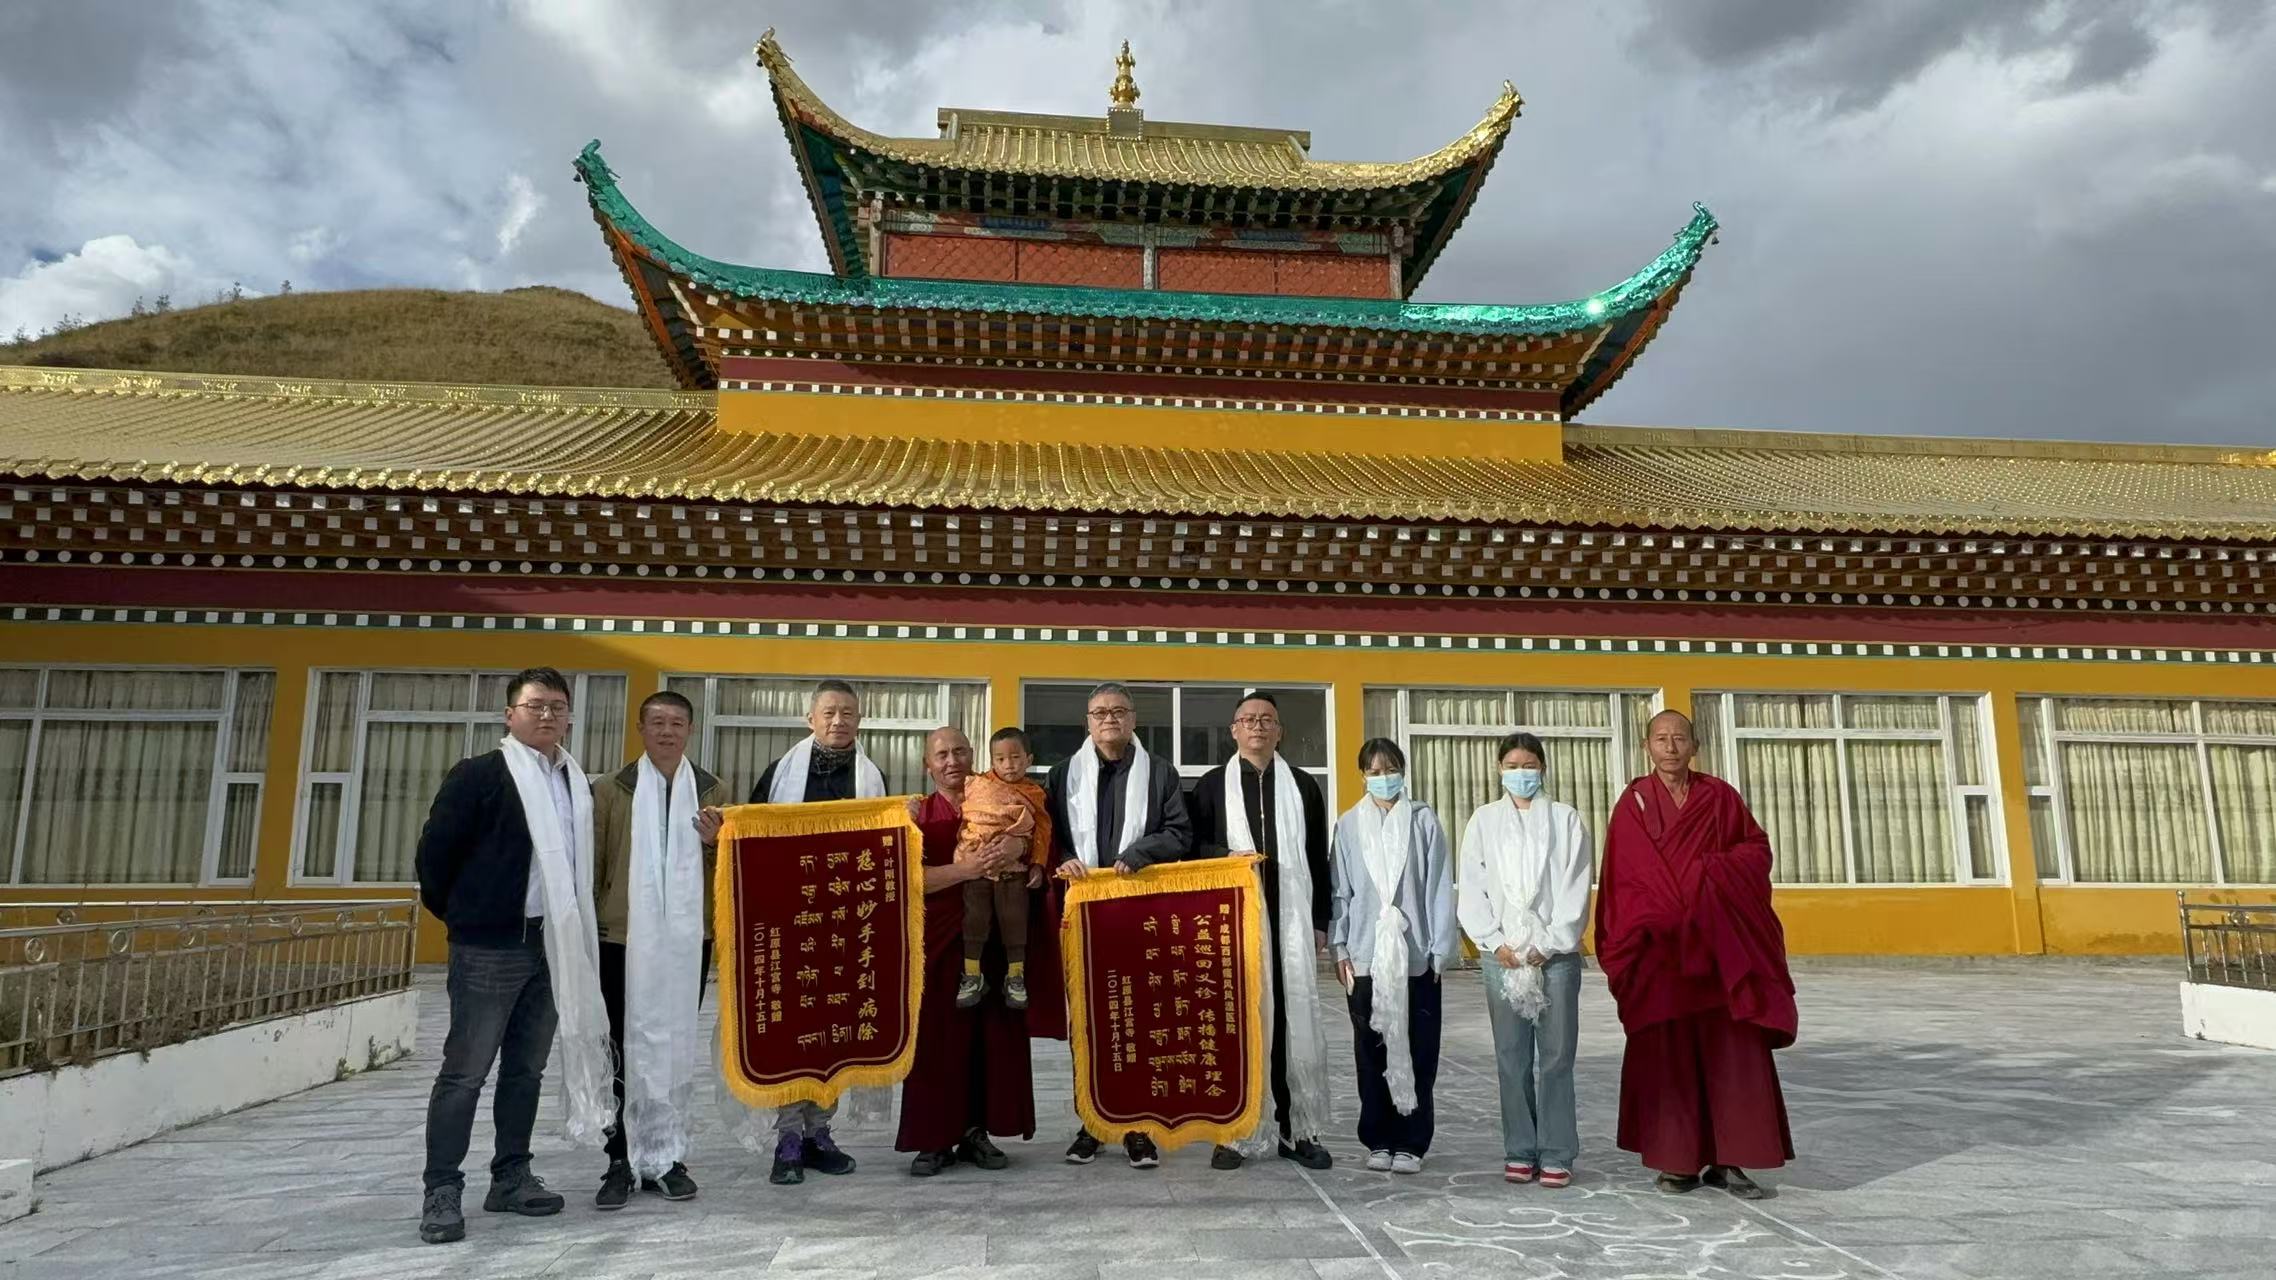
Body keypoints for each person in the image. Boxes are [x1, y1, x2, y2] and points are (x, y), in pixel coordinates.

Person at [414, 667, 613, 1245]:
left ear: (569, 716)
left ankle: (511, 1176)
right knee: (465, 1072)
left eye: (557, 706)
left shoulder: (576, 782)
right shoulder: (480, 775)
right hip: (490, 946)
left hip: (554, 946)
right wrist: (470, 917)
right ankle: (441, 1188)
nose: (547, 715)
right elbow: (435, 859)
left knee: (525, 1070)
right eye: (535, 705)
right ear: (510, 715)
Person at [1596, 710, 1796, 1200]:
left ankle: (1730, 1160)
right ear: (1647, 747)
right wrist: (1665, 909)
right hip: (1661, 955)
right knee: (1670, 1059)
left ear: (1695, 745)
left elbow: (1756, 851)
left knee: (1731, 1057)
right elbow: (1624, 880)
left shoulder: (1720, 797)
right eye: (1661, 739)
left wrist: (1709, 872)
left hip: (1719, 951)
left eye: (1679, 738)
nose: (1670, 747)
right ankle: (1678, 1161)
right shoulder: (1633, 804)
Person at [589, 691, 731, 1209]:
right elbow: (595, 864)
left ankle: (667, 1157)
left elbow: (729, 872)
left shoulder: (712, 790)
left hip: (688, 940)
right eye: (657, 722)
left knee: (673, 1043)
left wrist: (716, 843)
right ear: (641, 728)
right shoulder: (611, 789)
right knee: (621, 1046)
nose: (667, 732)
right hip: (623, 937)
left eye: (676, 723)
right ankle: (619, 1159)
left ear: (690, 730)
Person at [897, 726, 1060, 1176]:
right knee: (936, 1042)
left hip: (994, 942)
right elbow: (905, 879)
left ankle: (977, 1132)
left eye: (960, 752)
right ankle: (933, 1139)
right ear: (927, 765)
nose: (952, 761)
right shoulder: (917, 813)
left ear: (974, 757)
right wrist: (964, 869)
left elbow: (1041, 846)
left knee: (990, 1039)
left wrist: (1020, 844)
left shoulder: (1003, 797)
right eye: (942, 754)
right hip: (938, 942)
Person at [1043, 680, 1193, 1170]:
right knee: (1087, 1020)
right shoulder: (1063, 774)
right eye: (1100, 712)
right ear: (1087, 722)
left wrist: (1140, 851)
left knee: (1138, 1018)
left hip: (1139, 911)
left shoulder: (1160, 773)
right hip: (1082, 911)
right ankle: (1091, 1122)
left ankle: (1138, 1127)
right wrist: (1063, 858)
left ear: (1133, 719)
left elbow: (1179, 832)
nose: (1109, 719)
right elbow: (1046, 835)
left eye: (1118, 711)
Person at [1189, 691, 1335, 1172]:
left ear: (1279, 731)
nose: (1257, 726)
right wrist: (1223, 857)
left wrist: (1319, 920)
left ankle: (1298, 1129)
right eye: (1248, 719)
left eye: (1267, 719)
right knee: (1238, 1024)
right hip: (1233, 925)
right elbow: (1191, 848)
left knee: (1290, 1024)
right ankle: (1234, 1132)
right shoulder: (1212, 786)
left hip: (1290, 926)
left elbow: (1317, 857)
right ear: (1234, 730)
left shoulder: (1303, 786)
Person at [748, 679, 883, 1185]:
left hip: (845, 922)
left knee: (835, 1028)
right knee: (791, 1030)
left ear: (859, 720)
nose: (838, 721)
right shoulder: (780, 774)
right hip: (789, 920)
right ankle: (787, 1136)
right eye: (829, 712)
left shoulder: (872, 777)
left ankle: (819, 1132)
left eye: (848, 712)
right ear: (811, 719)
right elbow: (752, 837)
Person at [1456, 732, 1593, 1190]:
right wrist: (1494, 942)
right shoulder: (1484, 821)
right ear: (1499, 769)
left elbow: (1576, 885)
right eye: (1512, 765)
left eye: (1529, 764)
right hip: (1504, 957)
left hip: (1555, 957)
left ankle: (1557, 1151)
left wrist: (1549, 943)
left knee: (1556, 1057)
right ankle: (1519, 1148)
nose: (1521, 773)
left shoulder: (1566, 819)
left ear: (1543, 768)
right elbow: (1472, 886)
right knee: (1511, 1057)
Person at [1329, 737, 1457, 1176]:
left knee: (1420, 1048)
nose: (1383, 778)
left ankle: (1412, 1141)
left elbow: (1438, 885)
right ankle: (1378, 1138)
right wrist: (1339, 946)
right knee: (1370, 1051)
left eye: (1390, 769)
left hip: (1416, 954)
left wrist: (1440, 948)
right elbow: (1341, 891)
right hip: (1365, 954)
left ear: (1402, 771)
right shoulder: (1348, 825)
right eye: (1374, 771)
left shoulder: (1422, 820)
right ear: (1362, 776)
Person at [954, 729, 1053, 1012]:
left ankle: (1015, 976)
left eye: (1015, 758)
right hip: (978, 866)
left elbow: (1042, 829)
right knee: (974, 918)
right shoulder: (979, 784)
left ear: (1029, 760)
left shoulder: (1034, 793)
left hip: (1014, 870)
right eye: (1000, 759)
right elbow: (969, 812)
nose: (1008, 765)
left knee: (1015, 920)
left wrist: (1037, 864)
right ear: (991, 761)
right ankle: (972, 974)